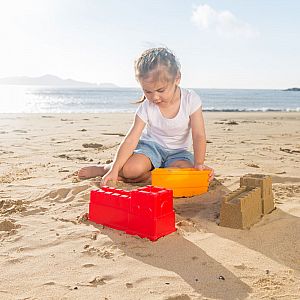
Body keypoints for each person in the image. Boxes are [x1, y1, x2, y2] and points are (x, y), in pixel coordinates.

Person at [78, 47, 214, 186]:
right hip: (150, 148)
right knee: (132, 170)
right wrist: (114, 169)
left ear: (177, 78)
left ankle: (148, 176)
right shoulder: (146, 107)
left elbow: (199, 135)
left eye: (161, 90)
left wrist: (199, 163)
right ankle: (104, 168)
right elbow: (131, 139)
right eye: (147, 91)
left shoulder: (190, 99)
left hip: (178, 153)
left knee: (182, 171)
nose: (154, 97)